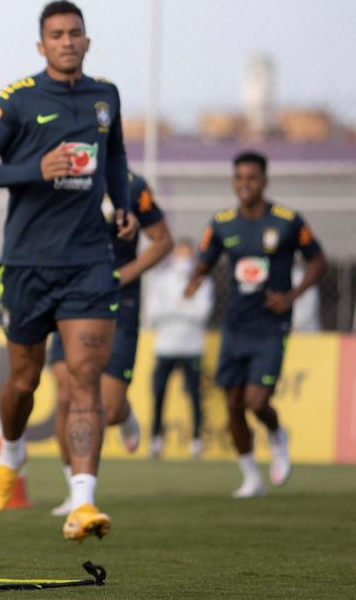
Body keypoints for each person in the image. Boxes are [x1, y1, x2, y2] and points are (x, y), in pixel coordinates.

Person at [0, 0, 136, 541]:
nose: (67, 41)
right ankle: (9, 454)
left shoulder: (105, 97)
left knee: (84, 380)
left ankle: (83, 502)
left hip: (88, 261)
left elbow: (115, 159)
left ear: (87, 41)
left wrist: (122, 202)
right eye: (57, 34)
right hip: (27, 264)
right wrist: (34, 171)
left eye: (75, 33)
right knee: (24, 381)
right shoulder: (17, 99)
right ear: (42, 45)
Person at [185, 151, 325, 498]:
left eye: (252, 178)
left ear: (265, 181)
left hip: (271, 324)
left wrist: (292, 296)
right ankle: (250, 477)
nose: (244, 184)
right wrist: (195, 279)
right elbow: (206, 259)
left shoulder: (287, 220)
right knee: (232, 404)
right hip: (235, 324)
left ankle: (278, 436)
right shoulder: (221, 223)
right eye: (239, 178)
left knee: (256, 401)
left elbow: (317, 262)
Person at [47, 170, 173, 516]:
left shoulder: (130, 184)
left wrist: (123, 275)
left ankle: (127, 416)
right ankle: (77, 488)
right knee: (64, 394)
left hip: (119, 302)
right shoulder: (60, 174)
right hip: (71, 297)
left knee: (110, 408)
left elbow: (163, 240)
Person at [146, 238, 212, 460]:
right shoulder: (162, 280)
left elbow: (202, 314)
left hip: (192, 347)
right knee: (159, 394)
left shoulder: (202, 281)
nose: (183, 259)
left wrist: (174, 309)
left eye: (187, 254)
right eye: (180, 253)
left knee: (194, 395)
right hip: (165, 346)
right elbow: (154, 314)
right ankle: (155, 439)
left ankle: (196, 440)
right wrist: (183, 307)